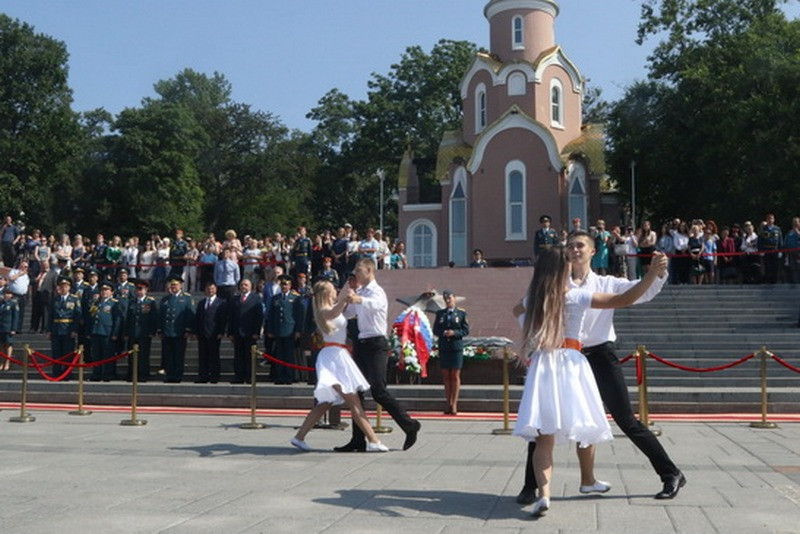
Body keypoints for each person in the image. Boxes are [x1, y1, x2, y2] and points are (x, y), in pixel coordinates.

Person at [516, 231, 684, 507]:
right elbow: (526, 308)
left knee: (626, 419)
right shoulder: (555, 283)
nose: (574, 250)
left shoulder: (606, 283)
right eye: (570, 246)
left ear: (593, 251)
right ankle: (530, 486)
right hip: (564, 358)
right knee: (545, 418)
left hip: (599, 356)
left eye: (580, 245)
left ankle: (670, 472)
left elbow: (637, 294)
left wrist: (654, 273)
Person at [291, 279, 388, 452]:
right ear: (327, 294)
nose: (336, 291)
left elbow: (341, 306)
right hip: (333, 357)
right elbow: (336, 311)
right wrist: (346, 298)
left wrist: (350, 290)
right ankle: (374, 440)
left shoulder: (330, 308)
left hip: (338, 355)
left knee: (325, 403)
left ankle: (299, 437)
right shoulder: (324, 310)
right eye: (332, 289)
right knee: (353, 401)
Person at [335, 258, 422, 452]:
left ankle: (409, 425)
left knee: (378, 390)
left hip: (376, 343)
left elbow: (375, 305)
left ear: (369, 271)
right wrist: (343, 297)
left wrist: (358, 299)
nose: (356, 275)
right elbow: (347, 313)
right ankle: (358, 439)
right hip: (361, 343)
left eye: (359, 271)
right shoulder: (360, 291)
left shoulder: (376, 291)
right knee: (356, 391)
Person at [432, 290, 469, 415]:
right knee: (446, 376)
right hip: (444, 347)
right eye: (446, 299)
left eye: (450, 298)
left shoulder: (461, 313)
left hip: (456, 347)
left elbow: (465, 330)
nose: (448, 301)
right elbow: (436, 329)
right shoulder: (440, 313)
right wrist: (443, 333)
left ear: (454, 298)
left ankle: (454, 404)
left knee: (455, 375)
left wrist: (455, 333)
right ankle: (448, 403)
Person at [265, 274, 303, 384]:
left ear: (290, 286)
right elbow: (271, 315)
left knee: (289, 355)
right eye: (282, 284)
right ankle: (280, 376)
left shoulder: (295, 298)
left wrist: (298, 331)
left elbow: (298, 316)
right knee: (279, 355)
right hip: (278, 330)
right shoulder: (275, 298)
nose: (284, 286)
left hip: (290, 330)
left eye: (286, 284)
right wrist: (270, 330)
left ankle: (289, 376)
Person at [157, 275, 195, 383]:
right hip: (167, 331)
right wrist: (160, 329)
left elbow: (190, 314)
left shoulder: (187, 298)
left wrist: (188, 329)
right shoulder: (166, 299)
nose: (174, 287)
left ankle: (177, 375)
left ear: (181, 286)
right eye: (172, 285)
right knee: (168, 355)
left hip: (179, 332)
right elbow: (161, 315)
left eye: (176, 285)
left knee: (178, 355)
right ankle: (169, 375)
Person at [228, 278, 263, 384]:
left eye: (246, 285)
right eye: (242, 285)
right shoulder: (235, 299)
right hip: (237, 332)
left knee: (249, 357)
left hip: (250, 333)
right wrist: (230, 332)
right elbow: (231, 316)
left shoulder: (256, 298)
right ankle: (238, 376)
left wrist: (256, 332)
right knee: (238, 356)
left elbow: (259, 316)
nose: (244, 287)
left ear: (251, 287)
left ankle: (249, 377)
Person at [48, 276, 81, 379]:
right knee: (56, 352)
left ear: (69, 288)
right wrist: (49, 330)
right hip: (56, 328)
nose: (63, 288)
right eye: (62, 286)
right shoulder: (55, 299)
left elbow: (77, 316)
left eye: (65, 286)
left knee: (68, 352)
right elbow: (50, 316)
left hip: (68, 328)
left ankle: (67, 373)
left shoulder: (74, 299)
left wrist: (75, 330)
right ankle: (56, 372)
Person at [88, 280, 122, 381]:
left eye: (107, 290)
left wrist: (115, 333)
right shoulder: (97, 303)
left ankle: (108, 374)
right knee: (96, 355)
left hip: (107, 332)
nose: (104, 292)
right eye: (102, 290)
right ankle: (96, 374)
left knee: (108, 355)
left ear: (111, 292)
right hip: (96, 331)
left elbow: (117, 319)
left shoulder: (114, 303)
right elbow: (92, 317)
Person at [126, 279, 158, 382]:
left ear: (146, 290)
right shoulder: (132, 302)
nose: (138, 291)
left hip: (144, 333)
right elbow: (128, 318)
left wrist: (152, 331)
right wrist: (126, 332)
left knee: (143, 355)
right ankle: (132, 374)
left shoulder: (150, 302)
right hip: (133, 332)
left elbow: (153, 318)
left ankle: (143, 374)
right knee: (132, 355)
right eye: (137, 289)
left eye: (141, 289)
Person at [194, 281, 226, 383]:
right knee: (202, 356)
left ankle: (214, 377)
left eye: (212, 288)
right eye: (208, 288)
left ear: (216, 289)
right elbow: (198, 318)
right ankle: (203, 376)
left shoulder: (221, 303)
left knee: (214, 356)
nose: (210, 290)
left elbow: (222, 319)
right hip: (202, 333)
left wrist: (221, 331)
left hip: (214, 334)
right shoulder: (201, 303)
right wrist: (196, 332)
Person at [7, 259, 30, 332]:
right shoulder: (14, 271)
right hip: (15, 294)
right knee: (14, 312)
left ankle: (19, 328)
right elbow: (11, 278)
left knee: (21, 312)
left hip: (23, 295)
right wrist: (20, 274)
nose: (25, 268)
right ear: (20, 265)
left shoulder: (26, 276)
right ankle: (13, 327)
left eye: (26, 267)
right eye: (23, 266)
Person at [0, 286, 19, 371]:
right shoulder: (1, 303)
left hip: (8, 327)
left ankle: (7, 362)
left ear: (11, 295)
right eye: (5, 293)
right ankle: (1, 362)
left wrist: (13, 328)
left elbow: (15, 317)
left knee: (8, 345)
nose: (6, 295)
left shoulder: (13, 304)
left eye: (8, 293)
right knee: (1, 346)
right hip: (1, 327)